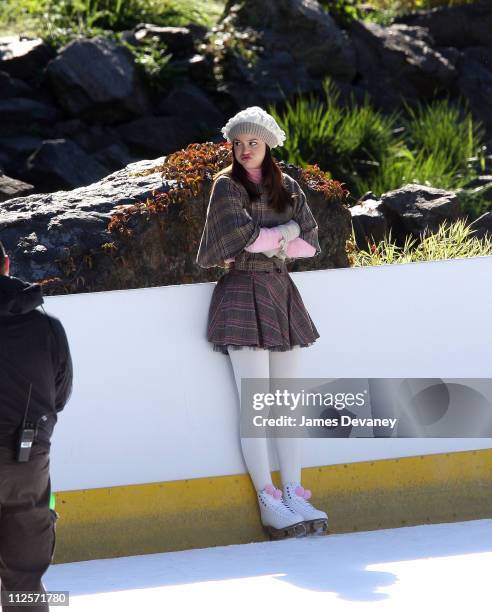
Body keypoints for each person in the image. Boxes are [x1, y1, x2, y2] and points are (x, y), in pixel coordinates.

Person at [196, 106, 328, 539]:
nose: (245, 149)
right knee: (256, 408)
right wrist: (285, 234)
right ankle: (268, 499)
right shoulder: (226, 186)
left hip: (281, 294)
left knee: (286, 405)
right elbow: (243, 239)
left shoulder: (287, 186)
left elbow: (312, 245)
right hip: (241, 295)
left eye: (253, 142)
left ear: (268, 144)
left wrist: (281, 239)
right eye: (238, 143)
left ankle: (293, 491)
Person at [0, 240, 73, 611]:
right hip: (27, 459)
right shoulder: (47, 326)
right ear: (7, 265)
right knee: (24, 582)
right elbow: (60, 394)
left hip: (28, 455)